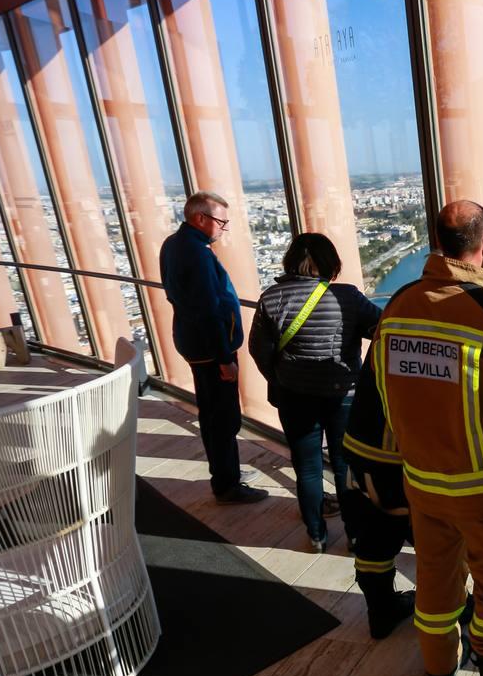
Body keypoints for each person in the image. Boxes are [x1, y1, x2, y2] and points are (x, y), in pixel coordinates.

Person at [374, 200, 483, 676]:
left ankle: (439, 671)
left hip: (421, 480)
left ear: (438, 242)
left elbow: (385, 388)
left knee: (436, 576)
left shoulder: (397, 306)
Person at [248, 233, 380, 553]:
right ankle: (355, 535)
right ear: (330, 263)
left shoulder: (271, 299)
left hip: (294, 395)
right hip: (342, 393)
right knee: (345, 464)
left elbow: (258, 350)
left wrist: (278, 377)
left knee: (307, 466)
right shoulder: (347, 297)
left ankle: (317, 534)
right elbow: (382, 327)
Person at [160, 192, 265, 505]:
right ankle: (227, 483)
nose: (223, 228)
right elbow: (208, 309)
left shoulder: (173, 245)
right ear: (200, 219)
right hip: (211, 350)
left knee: (211, 414)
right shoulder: (198, 253)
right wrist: (224, 358)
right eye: (221, 221)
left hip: (193, 343)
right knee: (223, 417)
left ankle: (225, 474)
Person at [338, 342, 416, 638]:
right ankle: (448, 622)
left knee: (373, 541)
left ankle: (381, 612)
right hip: (412, 455)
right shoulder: (467, 316)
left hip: (364, 447)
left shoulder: (394, 315)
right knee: (437, 546)